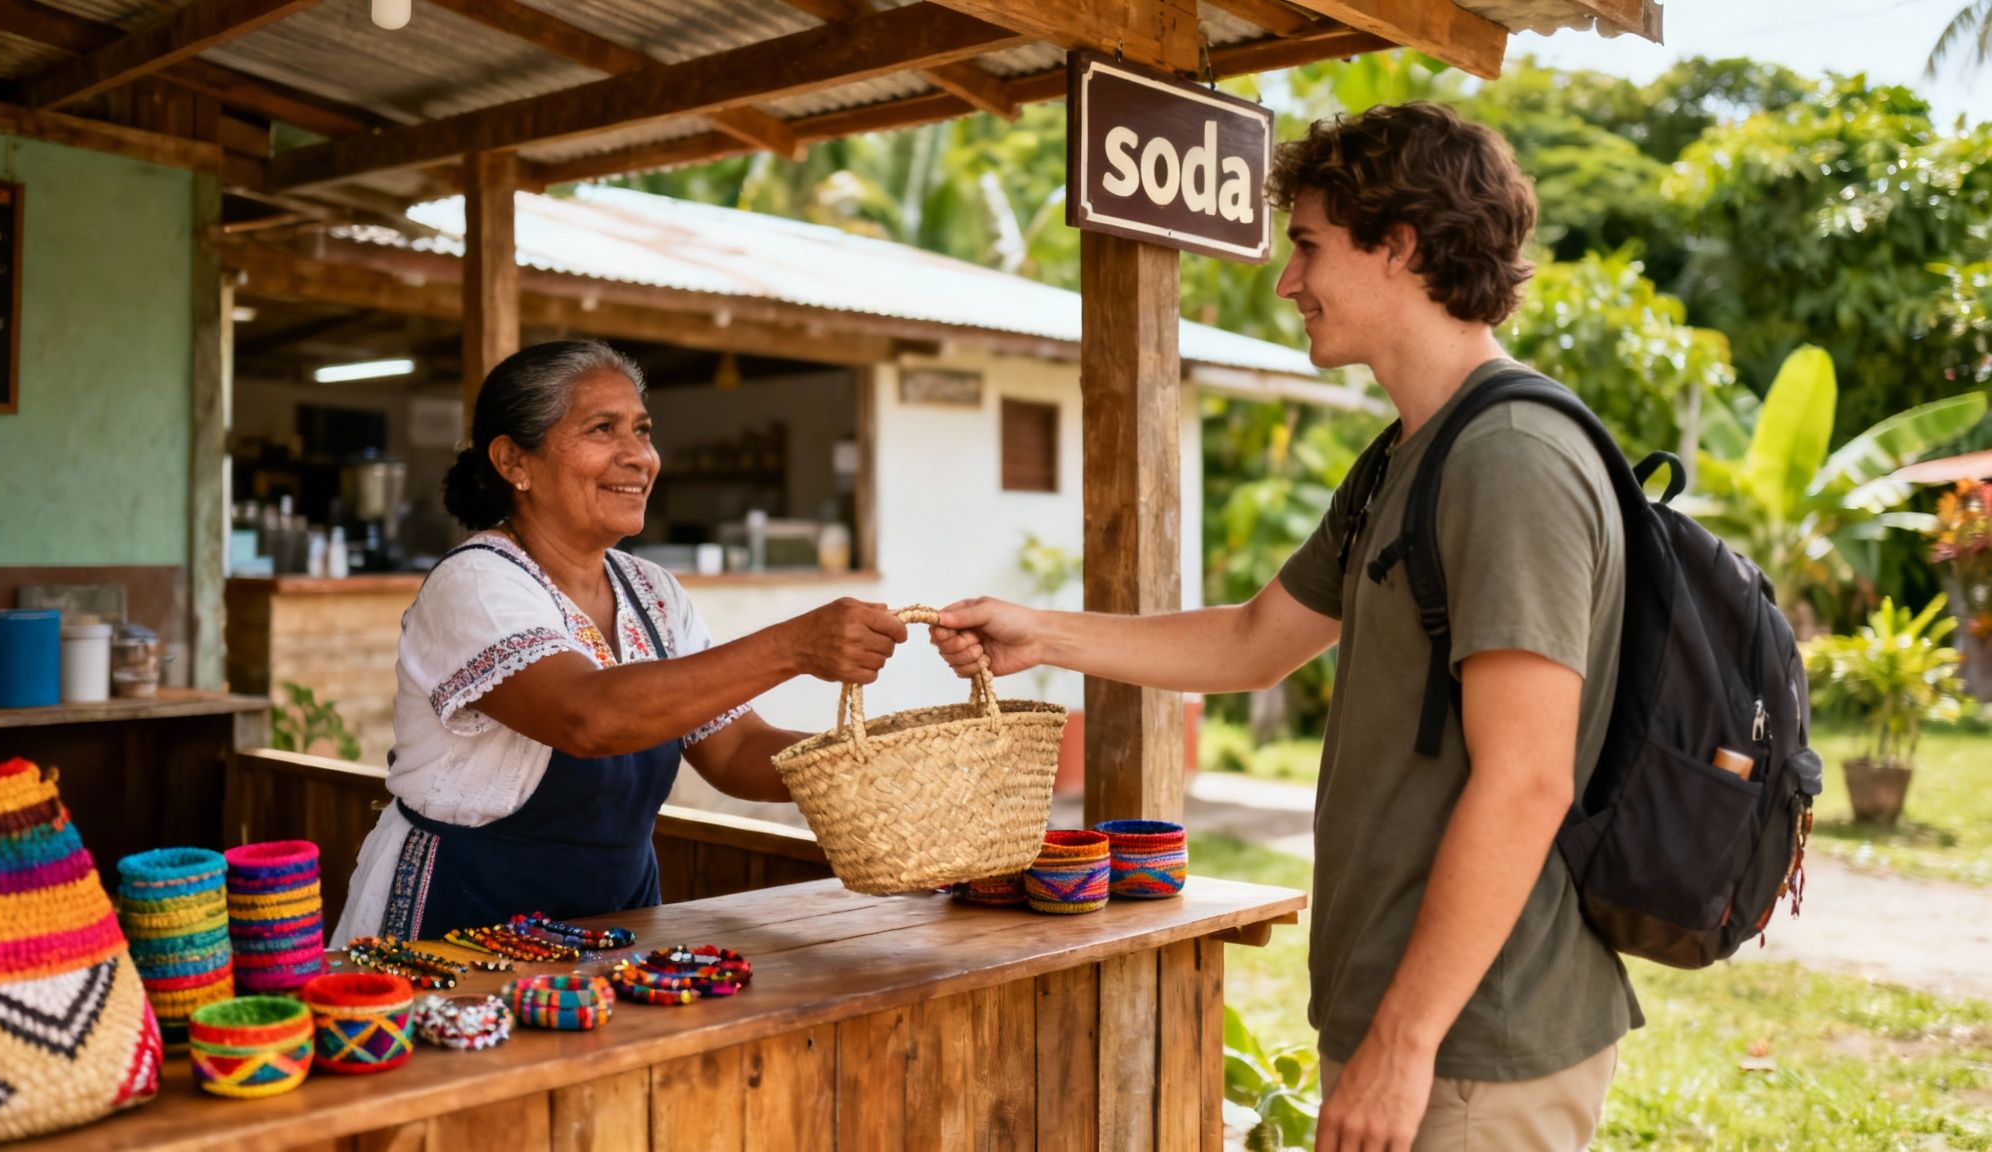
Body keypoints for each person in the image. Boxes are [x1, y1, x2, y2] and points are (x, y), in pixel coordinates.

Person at [931, 104, 1636, 1152]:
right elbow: (1254, 640)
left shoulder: (1509, 459)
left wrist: (1402, 1045)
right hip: (1414, 1018)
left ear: (1395, 246)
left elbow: (1526, 779)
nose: (1286, 282)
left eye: (1307, 245)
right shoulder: (1408, 453)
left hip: (1471, 1044)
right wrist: (1041, 635)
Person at [334, 340, 906, 943]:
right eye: (602, 429)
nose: (640, 457)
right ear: (513, 461)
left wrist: (875, 764)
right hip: (457, 921)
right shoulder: (474, 582)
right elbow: (588, 717)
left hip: (613, 923)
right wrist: (795, 646)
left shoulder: (651, 591)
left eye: (642, 429)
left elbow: (734, 748)